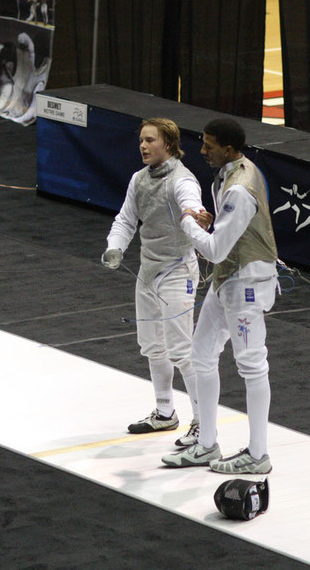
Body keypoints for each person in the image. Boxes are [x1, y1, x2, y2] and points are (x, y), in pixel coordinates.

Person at [161, 118, 278, 475]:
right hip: (227, 277)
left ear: (228, 149)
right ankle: (207, 444)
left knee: (252, 364)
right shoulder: (231, 173)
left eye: (209, 145)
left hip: (246, 282)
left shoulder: (240, 187)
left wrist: (187, 222)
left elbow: (212, 249)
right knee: (200, 355)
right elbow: (225, 236)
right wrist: (208, 222)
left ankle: (258, 455)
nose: (202, 150)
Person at [103, 119, 204, 448]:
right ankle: (164, 412)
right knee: (151, 344)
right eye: (141, 141)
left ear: (169, 145)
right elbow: (126, 218)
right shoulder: (139, 179)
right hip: (149, 270)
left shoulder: (182, 180)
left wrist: (195, 214)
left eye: (150, 141)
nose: (143, 146)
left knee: (182, 350)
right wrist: (115, 246)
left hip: (178, 272)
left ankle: (203, 423)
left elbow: (191, 203)